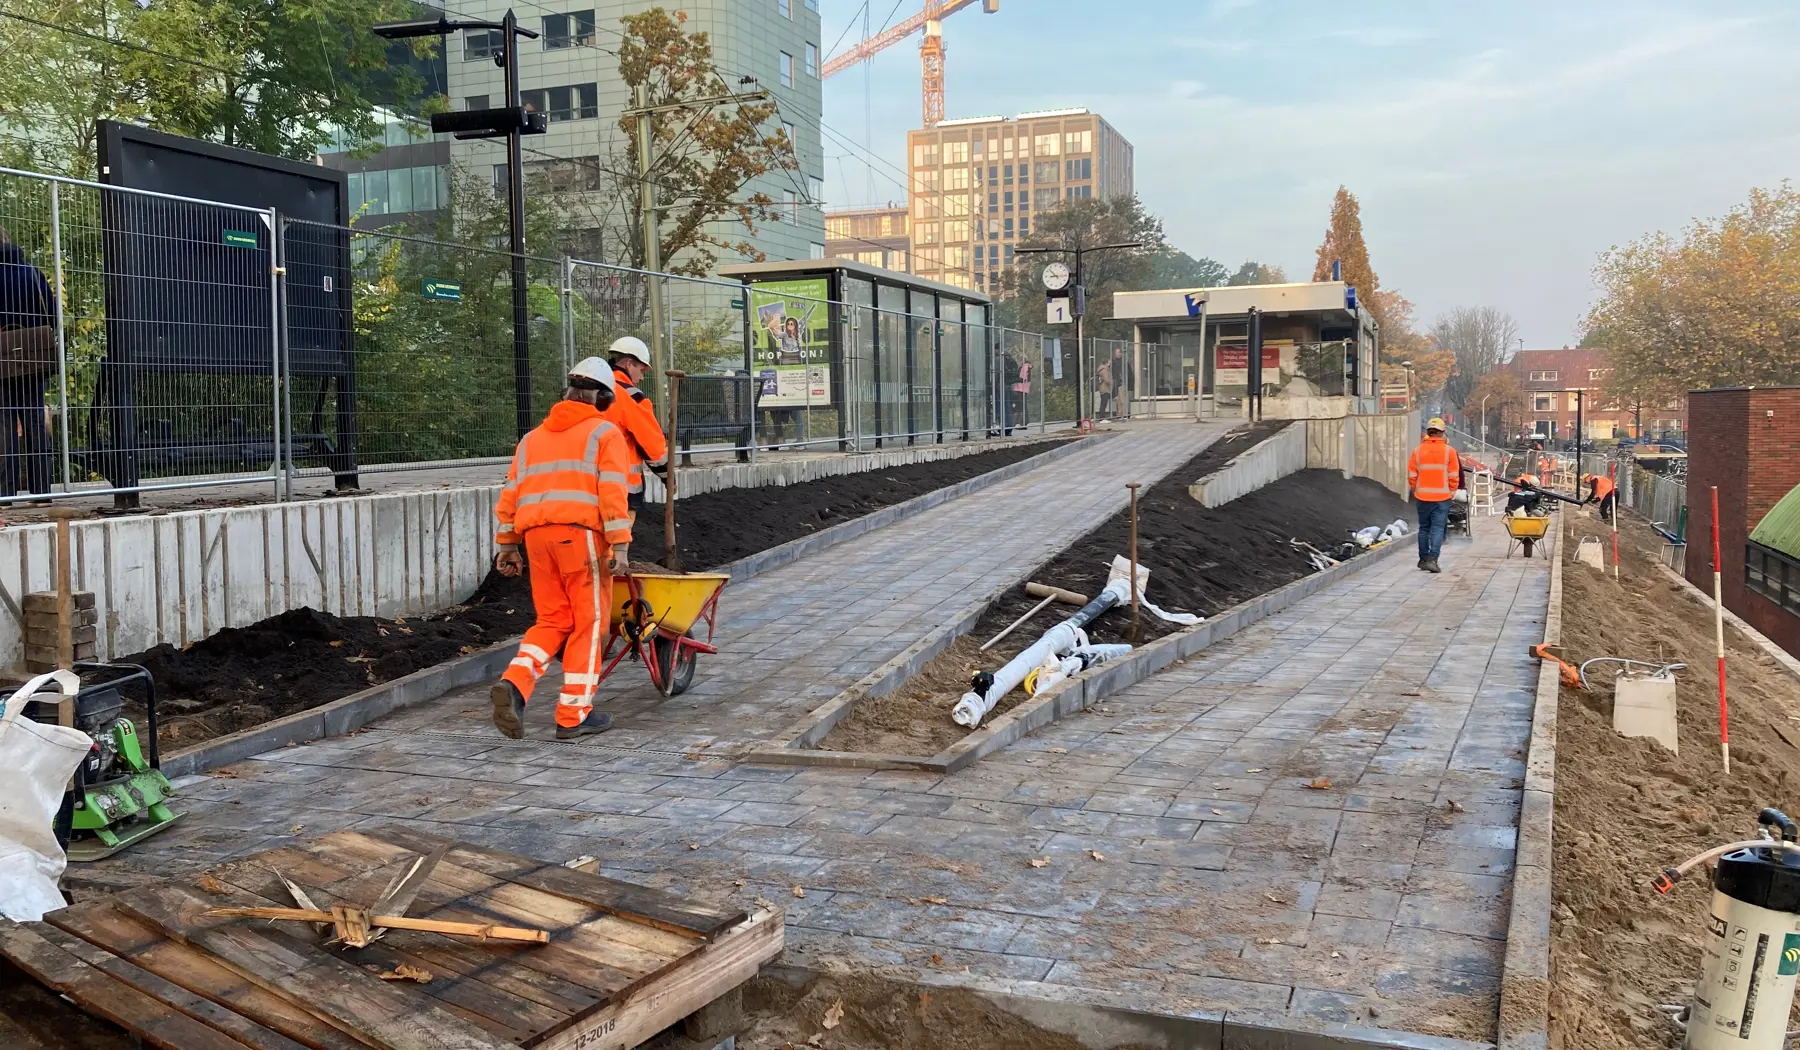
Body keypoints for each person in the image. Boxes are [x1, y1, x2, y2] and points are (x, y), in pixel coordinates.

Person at [489, 357, 635, 741]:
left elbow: (511, 494)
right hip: (581, 537)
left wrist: (507, 545)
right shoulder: (604, 433)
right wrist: (620, 544)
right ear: (603, 398)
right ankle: (573, 715)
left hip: (536, 540)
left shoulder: (532, 439)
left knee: (552, 620)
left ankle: (516, 683)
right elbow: (613, 493)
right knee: (590, 624)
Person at [0, 227, 56, 499]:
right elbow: (53, 314)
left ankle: (6, 493)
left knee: (5, 425)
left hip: (1, 363)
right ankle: (42, 490)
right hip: (33, 360)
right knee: (34, 420)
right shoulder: (32, 274)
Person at [599, 336, 668, 516]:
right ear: (629, 364)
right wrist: (669, 477)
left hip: (585, 487)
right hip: (622, 489)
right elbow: (652, 444)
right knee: (618, 540)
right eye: (642, 369)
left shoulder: (591, 390)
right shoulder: (631, 396)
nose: (642, 377)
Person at [1406, 417, 1462, 573]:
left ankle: (1423, 559)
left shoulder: (1417, 451)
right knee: (1437, 529)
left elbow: (1412, 475)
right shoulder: (1449, 451)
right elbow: (1453, 476)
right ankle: (1432, 559)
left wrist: (1416, 490)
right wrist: (1451, 492)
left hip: (1422, 497)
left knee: (1424, 528)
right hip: (1442, 498)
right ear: (1442, 433)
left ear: (1428, 433)